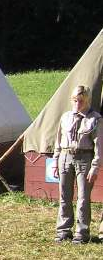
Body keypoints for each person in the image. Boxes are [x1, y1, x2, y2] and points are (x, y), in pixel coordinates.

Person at [52, 85, 101, 244]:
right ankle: (63, 230)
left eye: (80, 101)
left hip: (84, 158)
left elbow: (99, 145)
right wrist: (55, 162)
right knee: (64, 196)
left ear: (87, 100)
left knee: (83, 198)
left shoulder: (95, 119)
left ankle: (82, 233)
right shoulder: (65, 117)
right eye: (74, 100)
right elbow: (58, 141)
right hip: (65, 157)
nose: (77, 104)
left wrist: (95, 166)